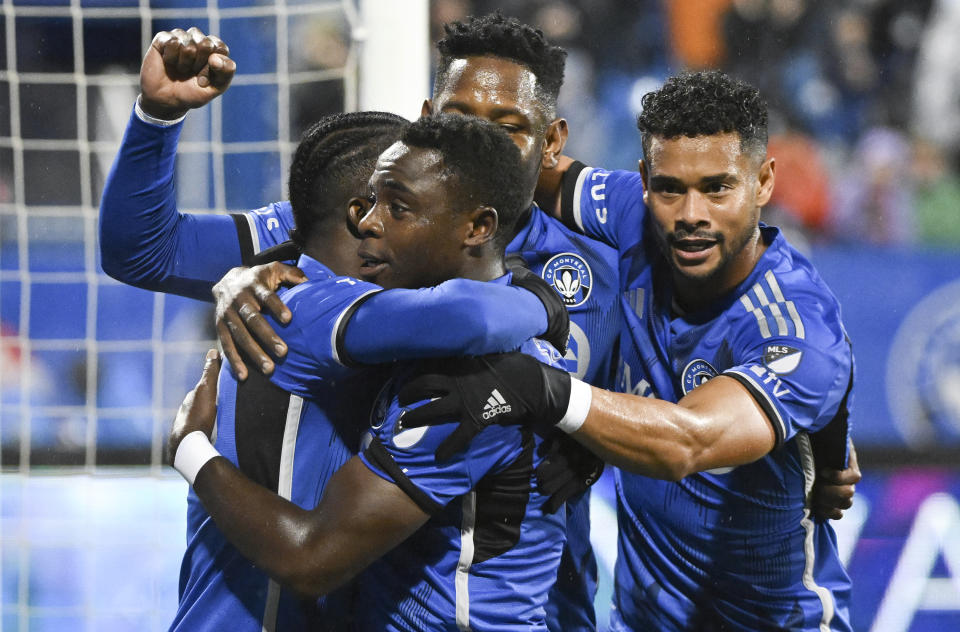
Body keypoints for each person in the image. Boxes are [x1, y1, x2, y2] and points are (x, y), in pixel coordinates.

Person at [99, 17, 858, 629]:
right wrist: (159, 124)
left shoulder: (592, 259)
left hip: (528, 602)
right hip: (369, 593)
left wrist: (821, 427)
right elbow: (148, 250)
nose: (485, 145)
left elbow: (786, 325)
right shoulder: (375, 214)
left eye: (510, 127)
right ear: (428, 120)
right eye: (462, 119)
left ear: (551, 144)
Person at [399, 70, 856, 631]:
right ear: (643, 180)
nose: (691, 214)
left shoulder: (793, 325)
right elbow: (507, 163)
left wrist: (546, 391)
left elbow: (687, 442)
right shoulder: (628, 213)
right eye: (670, 188)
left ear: (763, 182)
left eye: (718, 187)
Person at [168, 113, 571, 631]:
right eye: (371, 202)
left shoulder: (468, 376)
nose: (372, 223)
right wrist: (549, 312)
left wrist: (189, 448)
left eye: (396, 206)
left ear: (477, 226)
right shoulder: (309, 310)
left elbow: (312, 559)